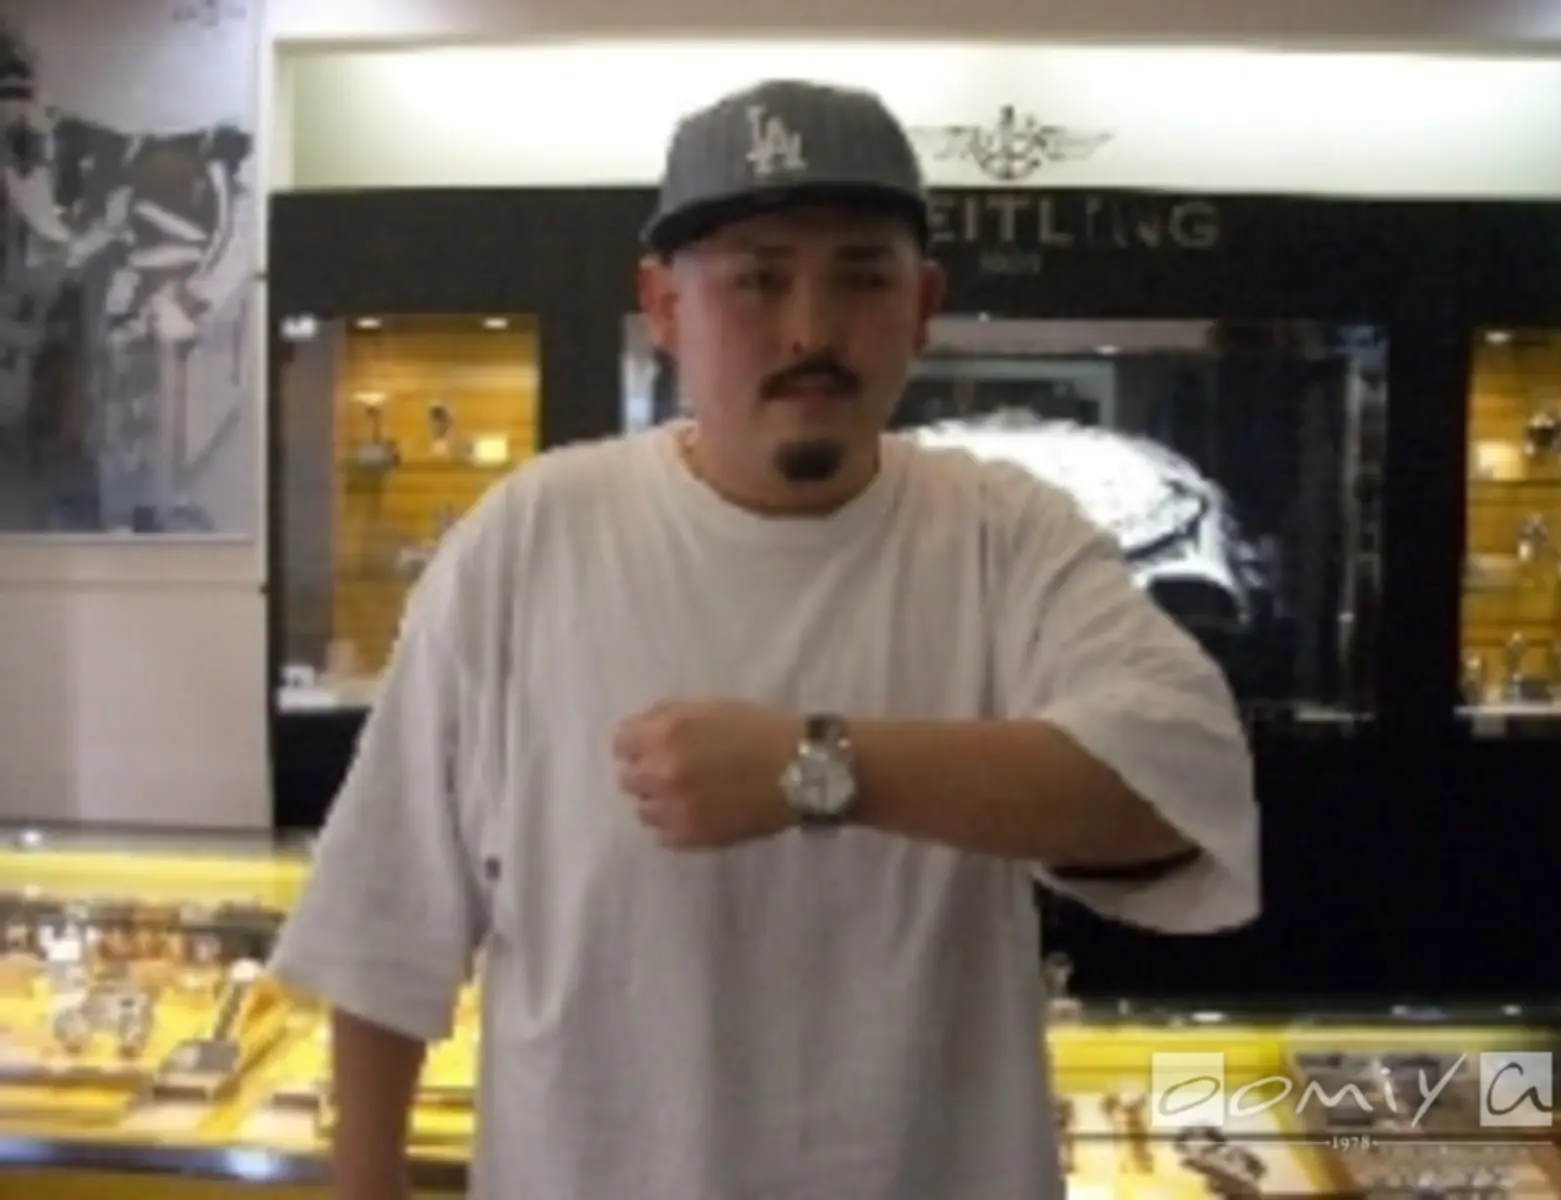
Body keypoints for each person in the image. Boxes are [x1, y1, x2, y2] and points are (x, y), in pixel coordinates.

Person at [268, 79, 1259, 1200]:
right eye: (757, 277)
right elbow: (387, 920)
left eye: (861, 277)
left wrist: (814, 769)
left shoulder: (1004, 535)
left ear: (923, 305)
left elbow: (1177, 782)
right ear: (662, 305)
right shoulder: (531, 536)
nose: (811, 330)